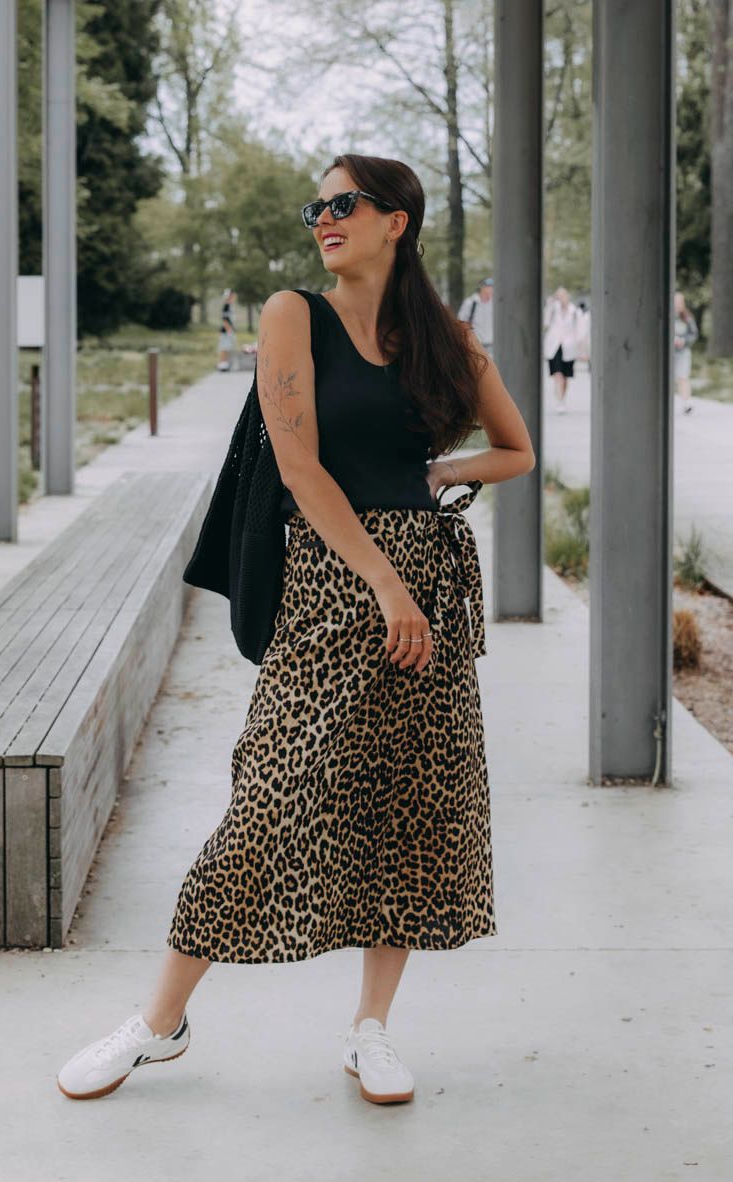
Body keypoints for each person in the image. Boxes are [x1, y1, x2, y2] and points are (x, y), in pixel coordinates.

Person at [57, 153, 535, 1107]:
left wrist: (441, 475)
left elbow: (516, 450)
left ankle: (371, 1031)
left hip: (425, 596)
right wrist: (386, 584)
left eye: (344, 203)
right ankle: (160, 1024)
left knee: (409, 810)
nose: (324, 219)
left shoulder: (444, 337)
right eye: (316, 207)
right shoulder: (293, 315)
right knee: (267, 803)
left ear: (396, 221)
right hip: (332, 589)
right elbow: (300, 466)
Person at [543, 286, 584, 412]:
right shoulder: (553, 309)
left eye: (562, 296)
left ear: (567, 297)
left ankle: (562, 398)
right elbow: (546, 323)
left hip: (569, 347)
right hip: (554, 346)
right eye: (558, 296)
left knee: (565, 377)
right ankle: (559, 401)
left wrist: (581, 349)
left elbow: (580, 331)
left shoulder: (574, 311)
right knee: (558, 374)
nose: (561, 299)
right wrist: (549, 305)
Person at [673, 291, 699, 415]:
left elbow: (694, 334)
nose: (677, 304)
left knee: (683, 376)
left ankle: (687, 403)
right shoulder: (668, 315)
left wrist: (684, 341)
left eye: (679, 302)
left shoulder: (687, 317)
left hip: (682, 352)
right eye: (675, 301)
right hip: (669, 352)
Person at [457, 277, 494, 352]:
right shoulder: (470, 303)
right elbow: (461, 323)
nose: (491, 289)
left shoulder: (494, 304)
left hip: (492, 346)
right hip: (475, 346)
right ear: (482, 287)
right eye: (489, 286)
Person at [217, 288, 237, 371]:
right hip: (226, 331)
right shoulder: (226, 306)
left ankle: (225, 363)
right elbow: (224, 319)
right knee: (224, 347)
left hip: (230, 330)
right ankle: (222, 364)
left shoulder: (230, 305)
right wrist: (229, 329)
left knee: (228, 347)